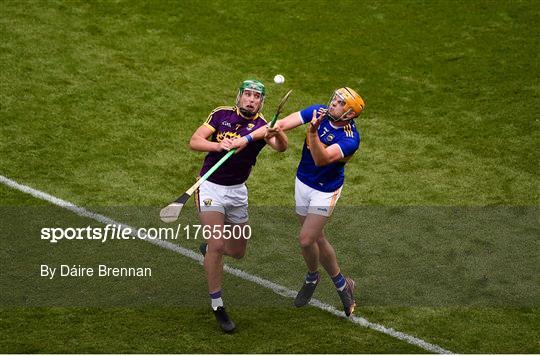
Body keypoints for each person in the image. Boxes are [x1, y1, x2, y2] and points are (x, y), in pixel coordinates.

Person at [255, 87, 365, 316]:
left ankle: (312, 277)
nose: (333, 103)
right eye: (335, 98)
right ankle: (343, 285)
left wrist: (313, 133)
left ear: (350, 114)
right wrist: (269, 130)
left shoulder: (350, 138)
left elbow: (321, 159)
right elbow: (284, 124)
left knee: (306, 239)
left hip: (325, 191)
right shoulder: (318, 111)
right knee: (317, 237)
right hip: (302, 183)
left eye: (340, 103)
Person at [188, 79, 287, 333]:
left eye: (257, 97)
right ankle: (217, 305)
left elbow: (280, 148)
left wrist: (277, 133)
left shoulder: (263, 126)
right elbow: (195, 141)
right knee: (218, 245)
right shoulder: (220, 115)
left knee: (238, 252)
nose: (252, 100)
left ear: (261, 102)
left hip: (237, 193)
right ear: (239, 97)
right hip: (209, 186)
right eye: (248, 95)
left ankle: (209, 250)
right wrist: (217, 145)